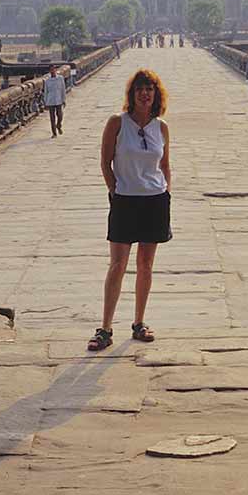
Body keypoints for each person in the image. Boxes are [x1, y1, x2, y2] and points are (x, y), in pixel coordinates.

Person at [87, 69, 171, 352]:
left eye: (149, 89)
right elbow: (105, 162)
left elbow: (165, 164)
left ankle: (139, 323)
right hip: (125, 200)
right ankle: (105, 328)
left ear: (156, 94)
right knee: (117, 265)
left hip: (155, 200)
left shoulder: (161, 127)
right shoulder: (117, 123)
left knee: (145, 266)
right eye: (140, 89)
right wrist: (115, 190)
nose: (145, 94)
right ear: (132, 95)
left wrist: (166, 190)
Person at [43, 64, 67, 136]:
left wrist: (64, 99)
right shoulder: (47, 81)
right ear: (49, 71)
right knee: (52, 118)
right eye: (51, 69)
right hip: (50, 101)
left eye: (53, 69)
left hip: (58, 99)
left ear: (55, 70)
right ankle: (54, 133)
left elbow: (63, 89)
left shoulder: (60, 78)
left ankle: (58, 125)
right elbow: (46, 92)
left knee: (60, 115)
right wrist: (45, 102)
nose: (52, 71)